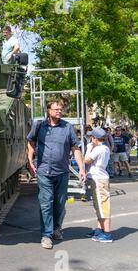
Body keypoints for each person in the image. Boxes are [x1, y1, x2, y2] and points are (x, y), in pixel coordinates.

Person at [27, 100, 86, 249]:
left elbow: (75, 148)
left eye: (60, 109)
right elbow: (31, 142)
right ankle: (46, 235)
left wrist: (81, 168)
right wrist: (29, 161)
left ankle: (56, 228)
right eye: (56, 109)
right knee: (46, 203)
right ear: (48, 110)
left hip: (62, 172)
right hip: (44, 171)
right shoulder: (39, 125)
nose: (59, 111)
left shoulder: (67, 127)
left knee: (59, 204)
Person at [84, 127, 113, 243]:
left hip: (98, 180)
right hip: (99, 178)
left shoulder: (98, 149)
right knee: (99, 206)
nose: (91, 139)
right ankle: (100, 229)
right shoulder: (105, 148)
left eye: (92, 137)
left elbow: (86, 160)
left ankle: (107, 233)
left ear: (95, 138)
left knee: (103, 206)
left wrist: (88, 148)